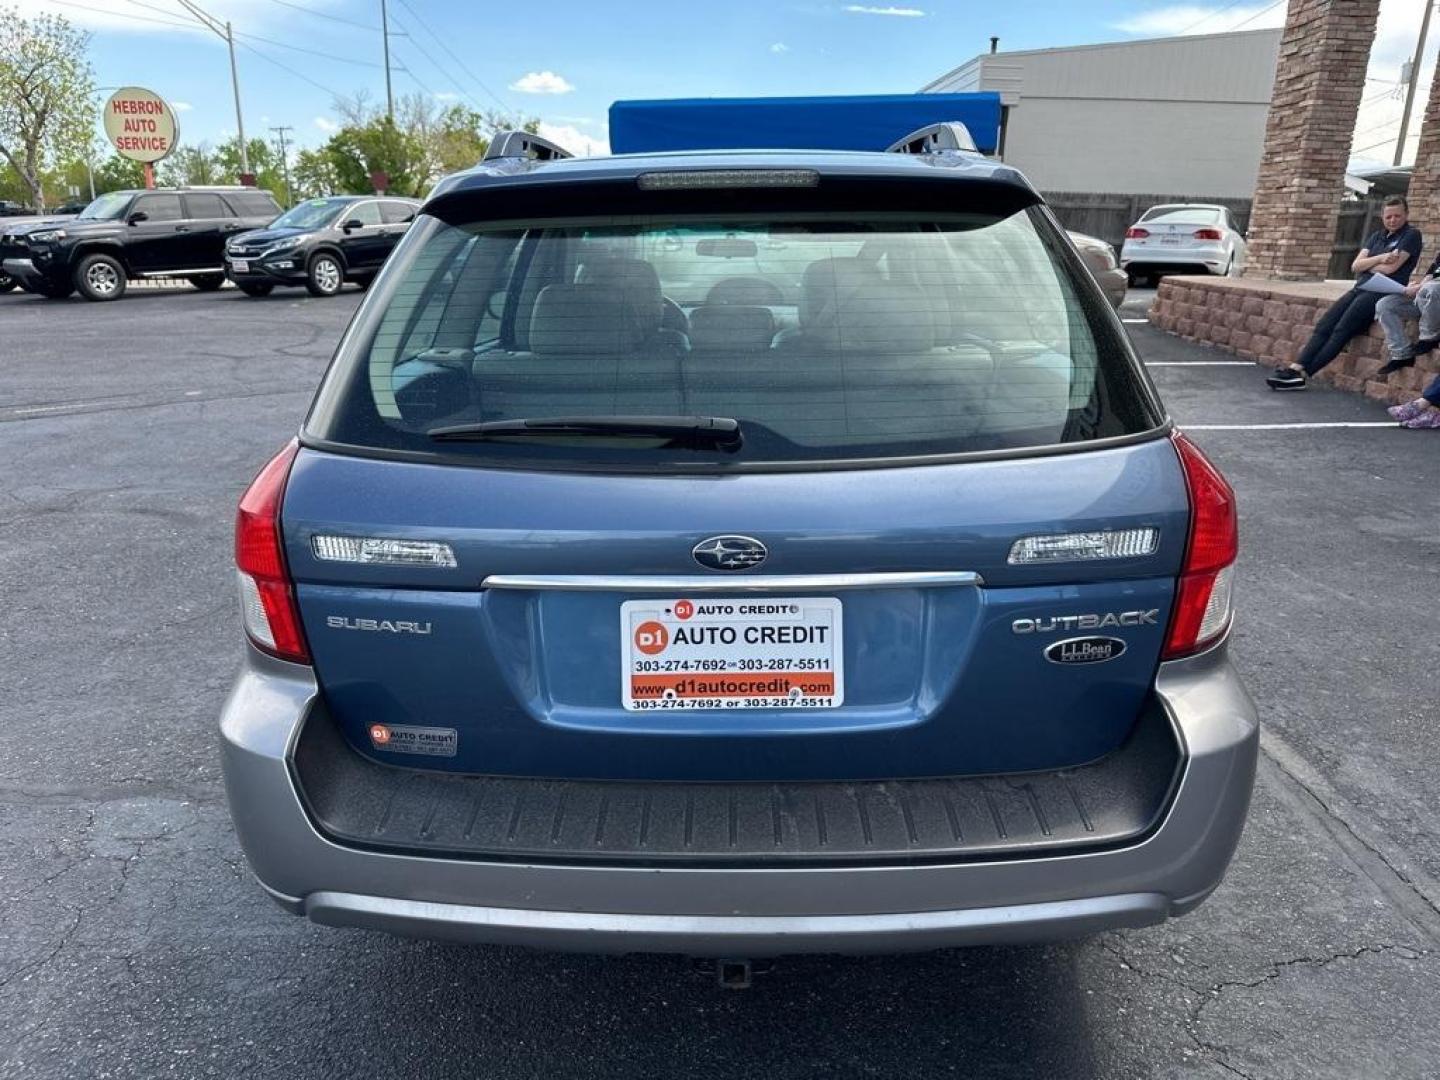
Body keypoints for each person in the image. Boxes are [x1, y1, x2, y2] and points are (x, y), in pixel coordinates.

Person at [1267, 195, 1422, 390]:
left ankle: (1304, 374)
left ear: (1406, 215)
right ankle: (1296, 367)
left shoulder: (1411, 235)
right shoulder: (1377, 236)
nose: (1393, 220)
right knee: (1324, 325)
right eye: (1388, 216)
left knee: (1342, 330)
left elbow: (1391, 270)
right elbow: (1355, 265)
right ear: (1382, 216)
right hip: (1361, 287)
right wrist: (1381, 257)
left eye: (1397, 216)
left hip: (1380, 292)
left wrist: (1368, 265)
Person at [1375, 251, 1440, 374]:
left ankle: (1429, 338)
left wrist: (1427, 286)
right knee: (1385, 305)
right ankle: (1402, 354)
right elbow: (1430, 276)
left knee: (1431, 288)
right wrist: (1416, 286)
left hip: (1435, 299)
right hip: (1426, 300)